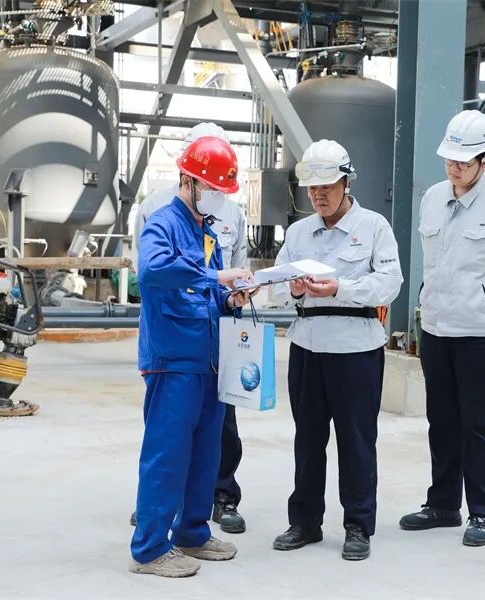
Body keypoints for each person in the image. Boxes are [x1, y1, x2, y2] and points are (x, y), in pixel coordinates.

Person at [399, 110, 485, 547]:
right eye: (449, 159)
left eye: (463, 161)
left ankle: (481, 511)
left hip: (481, 334)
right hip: (436, 329)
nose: (454, 167)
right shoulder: (433, 198)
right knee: (441, 421)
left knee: (478, 425)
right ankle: (442, 505)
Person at [270, 140, 402, 561]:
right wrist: (291, 289)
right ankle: (305, 522)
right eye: (312, 188)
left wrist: (340, 288)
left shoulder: (374, 227)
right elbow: (275, 287)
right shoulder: (298, 233)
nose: (318, 195)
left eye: (326, 186)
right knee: (307, 439)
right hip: (307, 345)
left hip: (356, 348)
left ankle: (358, 525)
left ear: (347, 182)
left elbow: (389, 283)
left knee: (356, 440)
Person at [129, 136, 255, 578]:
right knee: (167, 455)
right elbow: (152, 270)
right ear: (188, 181)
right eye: (212, 188)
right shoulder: (162, 224)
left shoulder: (207, 232)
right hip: (173, 360)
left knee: (205, 453)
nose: (218, 196)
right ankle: (149, 549)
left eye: (222, 190)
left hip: (208, 361)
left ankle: (192, 533)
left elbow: (207, 294)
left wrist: (231, 298)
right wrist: (216, 275)